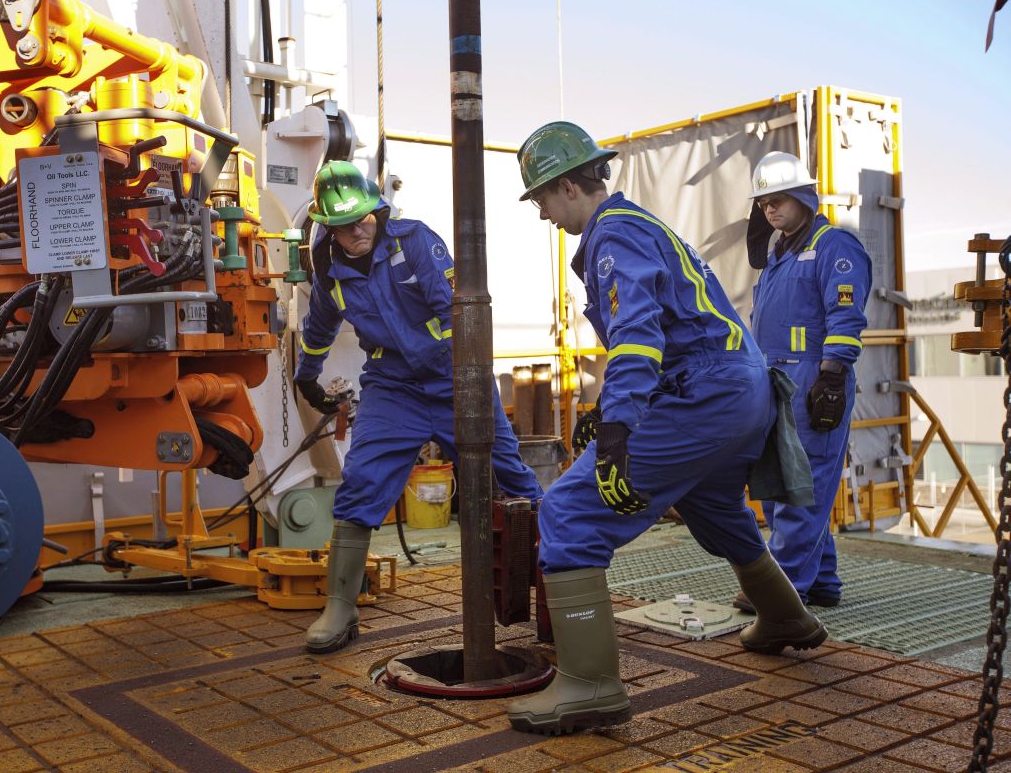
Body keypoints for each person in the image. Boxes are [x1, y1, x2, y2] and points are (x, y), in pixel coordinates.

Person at [505, 122, 826, 735]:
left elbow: (638, 336)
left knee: (569, 512)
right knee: (716, 509)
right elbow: (666, 327)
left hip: (705, 392)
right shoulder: (639, 225)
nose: (543, 214)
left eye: (542, 199)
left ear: (570, 186)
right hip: (738, 388)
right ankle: (786, 618)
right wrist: (609, 410)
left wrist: (616, 432)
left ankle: (591, 686)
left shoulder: (612, 235)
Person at [294, 160, 542, 654]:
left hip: (456, 376)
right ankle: (341, 608)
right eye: (345, 225)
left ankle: (557, 581)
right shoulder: (328, 267)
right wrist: (306, 373)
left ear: (377, 209)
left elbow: (455, 312)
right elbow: (320, 325)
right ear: (329, 229)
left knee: (512, 476)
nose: (358, 229)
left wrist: (450, 368)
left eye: (364, 217)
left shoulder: (415, 243)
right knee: (362, 480)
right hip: (393, 387)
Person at [735, 151, 872, 613]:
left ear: (803, 196)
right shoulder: (779, 253)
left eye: (778, 200)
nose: (771, 210)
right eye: (764, 204)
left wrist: (831, 377)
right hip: (775, 382)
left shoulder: (835, 246)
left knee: (803, 487)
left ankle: (784, 589)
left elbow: (845, 315)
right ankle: (823, 582)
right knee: (779, 487)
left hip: (813, 382)